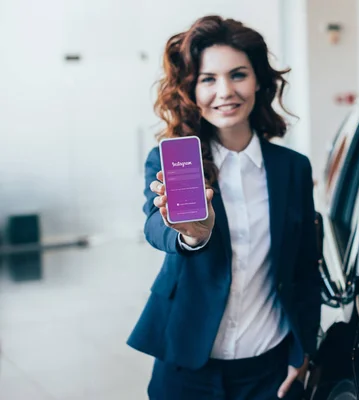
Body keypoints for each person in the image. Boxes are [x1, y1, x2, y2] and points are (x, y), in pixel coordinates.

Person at [126, 15, 321, 400]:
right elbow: (154, 225)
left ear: (259, 81)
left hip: (270, 365)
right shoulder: (177, 161)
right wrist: (190, 235)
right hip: (187, 364)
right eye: (208, 79)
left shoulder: (292, 168)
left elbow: (304, 267)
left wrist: (304, 351)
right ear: (191, 90)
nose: (225, 91)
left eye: (238, 74)